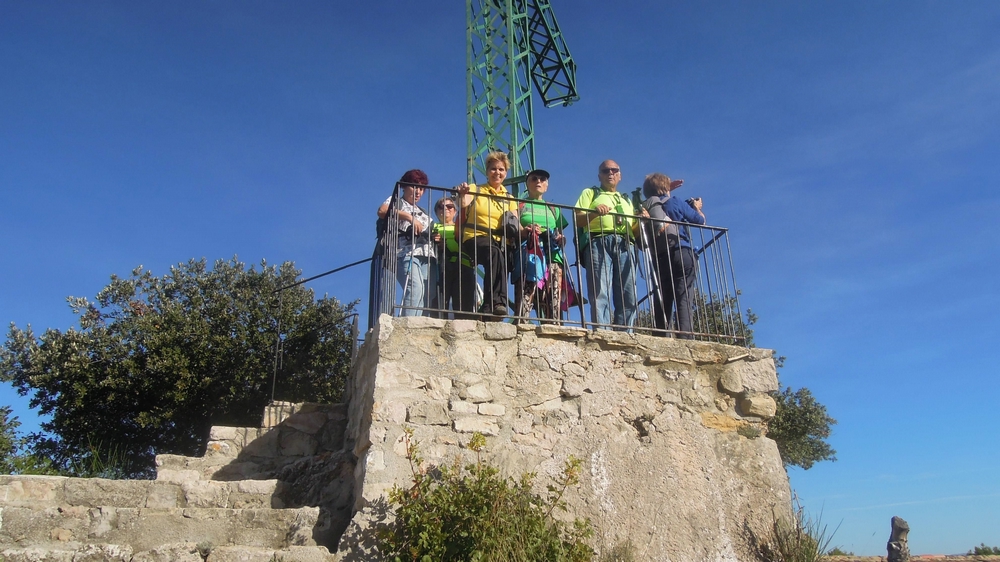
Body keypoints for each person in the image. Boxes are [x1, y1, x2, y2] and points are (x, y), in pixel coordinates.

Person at [574, 160, 648, 329]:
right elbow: (578, 219)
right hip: (599, 241)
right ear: (599, 175)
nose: (610, 173)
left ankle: (625, 332)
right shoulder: (590, 193)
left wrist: (642, 221)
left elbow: (634, 229)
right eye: (606, 170)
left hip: (626, 244)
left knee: (628, 292)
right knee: (601, 290)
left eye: (615, 170)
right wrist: (594, 212)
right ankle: (603, 332)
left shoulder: (626, 200)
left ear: (620, 175)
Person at [455, 151, 519, 319]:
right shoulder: (475, 189)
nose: (497, 172)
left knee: (501, 260)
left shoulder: (509, 197)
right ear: (486, 171)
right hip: (475, 236)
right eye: (493, 169)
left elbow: (515, 222)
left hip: (499, 240)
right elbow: (463, 203)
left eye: (501, 169)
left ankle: (488, 310)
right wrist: (462, 194)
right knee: (494, 253)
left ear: (506, 173)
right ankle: (498, 303)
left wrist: (530, 229)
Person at [642, 172, 705, 338]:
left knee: (662, 300)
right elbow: (699, 221)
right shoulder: (675, 202)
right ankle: (685, 338)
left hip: (660, 257)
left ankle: (661, 337)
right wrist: (696, 208)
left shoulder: (647, 207)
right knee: (683, 296)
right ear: (665, 187)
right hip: (681, 252)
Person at [376, 169, 436, 316]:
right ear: (404, 186)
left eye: (422, 188)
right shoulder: (397, 201)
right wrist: (409, 217)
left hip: (427, 256)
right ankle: (406, 324)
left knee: (427, 293)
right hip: (405, 253)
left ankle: (416, 324)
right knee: (414, 287)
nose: (418, 192)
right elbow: (382, 211)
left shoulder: (423, 211)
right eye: (414, 186)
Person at [513, 169, 568, 323]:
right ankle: (522, 324)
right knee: (528, 290)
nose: (538, 181)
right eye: (534, 179)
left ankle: (554, 327)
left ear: (547, 185)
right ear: (527, 184)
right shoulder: (519, 205)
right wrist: (525, 230)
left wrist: (561, 239)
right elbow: (512, 228)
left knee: (552, 293)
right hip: (528, 251)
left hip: (552, 253)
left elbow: (560, 233)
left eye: (542, 179)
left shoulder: (553, 208)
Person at [431, 196, 461, 316]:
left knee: (461, 300)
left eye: (450, 206)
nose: (445, 209)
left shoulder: (461, 227)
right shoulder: (433, 227)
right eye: (441, 207)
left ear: (455, 211)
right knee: (440, 299)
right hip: (441, 265)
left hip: (461, 263)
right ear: (437, 212)